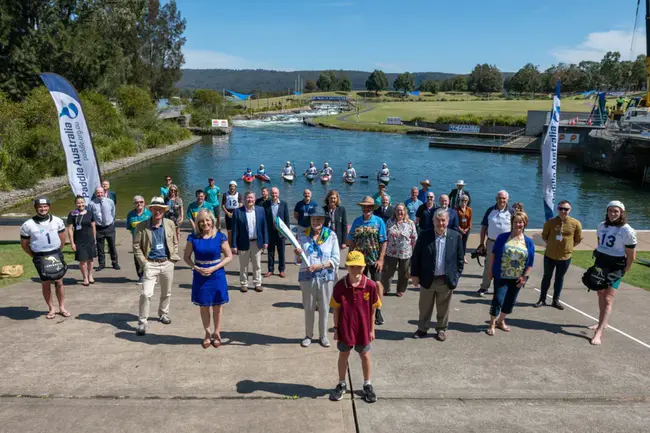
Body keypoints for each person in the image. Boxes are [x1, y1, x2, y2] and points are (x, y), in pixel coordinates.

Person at [329, 251, 381, 403]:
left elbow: (373, 309)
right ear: (347, 267)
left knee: (365, 355)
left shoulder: (370, 286)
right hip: (345, 328)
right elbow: (336, 308)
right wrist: (336, 328)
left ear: (364, 267)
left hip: (363, 329)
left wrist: (372, 329)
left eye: (359, 267)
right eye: (352, 267)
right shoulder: (340, 285)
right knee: (343, 354)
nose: (356, 270)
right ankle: (341, 383)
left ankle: (367, 384)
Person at [411, 208, 464, 341]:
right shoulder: (424, 235)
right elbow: (416, 256)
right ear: (433, 221)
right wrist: (415, 275)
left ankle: (441, 329)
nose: (441, 223)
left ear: (448, 221)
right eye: (438, 220)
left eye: (443, 220)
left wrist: (455, 277)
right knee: (424, 307)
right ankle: (422, 328)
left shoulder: (455, 236)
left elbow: (460, 260)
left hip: (445, 280)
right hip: (427, 278)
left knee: (443, 308)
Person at [589, 201, 637, 346]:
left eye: (616, 211)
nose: (612, 214)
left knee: (609, 298)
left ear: (622, 212)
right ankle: (601, 323)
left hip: (616, 265)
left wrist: (625, 270)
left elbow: (631, 255)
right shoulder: (602, 226)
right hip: (601, 263)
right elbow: (600, 244)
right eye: (610, 211)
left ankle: (599, 332)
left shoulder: (627, 231)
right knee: (600, 293)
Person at [184, 208, 233, 348]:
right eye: (201, 221)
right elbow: (186, 257)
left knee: (217, 306)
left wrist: (214, 268)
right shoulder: (193, 238)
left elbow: (229, 256)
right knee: (204, 306)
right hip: (200, 275)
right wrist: (196, 267)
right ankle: (207, 333)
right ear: (198, 224)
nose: (205, 223)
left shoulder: (220, 237)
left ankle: (217, 333)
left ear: (212, 221)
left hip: (217, 275)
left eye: (207, 220)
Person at [133, 197, 180, 336]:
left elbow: (175, 242)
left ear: (164, 211)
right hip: (150, 263)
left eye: (160, 209)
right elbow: (136, 246)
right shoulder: (141, 226)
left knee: (167, 292)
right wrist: (144, 262)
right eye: (155, 208)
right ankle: (142, 323)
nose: (158, 211)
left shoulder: (170, 223)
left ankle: (163, 313)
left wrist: (172, 259)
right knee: (146, 293)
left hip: (167, 262)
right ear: (151, 209)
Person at [295, 207, 340, 348]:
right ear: (310, 220)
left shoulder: (331, 235)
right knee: (308, 307)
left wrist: (320, 266)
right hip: (307, 277)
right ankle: (308, 335)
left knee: (324, 307)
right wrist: (297, 254)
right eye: (313, 219)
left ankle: (323, 336)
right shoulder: (302, 235)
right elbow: (297, 260)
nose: (316, 221)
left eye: (319, 219)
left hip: (326, 277)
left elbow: (336, 259)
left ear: (324, 220)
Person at [486, 211, 535, 336]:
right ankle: (492, 323)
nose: (518, 224)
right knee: (498, 299)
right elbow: (493, 255)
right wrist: (490, 271)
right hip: (501, 275)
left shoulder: (528, 242)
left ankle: (501, 321)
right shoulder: (502, 237)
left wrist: (524, 277)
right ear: (512, 223)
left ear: (524, 224)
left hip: (517, 278)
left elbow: (530, 263)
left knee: (510, 301)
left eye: (521, 222)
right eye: (516, 222)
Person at [20, 196, 69, 319]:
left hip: (55, 253)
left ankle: (62, 307)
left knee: (59, 281)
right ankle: (51, 309)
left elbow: (63, 238)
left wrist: (58, 251)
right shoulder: (27, 225)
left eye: (45, 206)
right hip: (40, 256)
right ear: (36, 208)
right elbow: (24, 244)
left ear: (49, 207)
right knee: (46, 283)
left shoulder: (57, 221)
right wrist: (34, 255)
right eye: (40, 207)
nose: (43, 209)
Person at [536, 200, 583, 309]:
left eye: (566, 209)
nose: (563, 211)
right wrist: (551, 245)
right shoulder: (550, 222)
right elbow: (544, 236)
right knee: (546, 277)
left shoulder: (575, 224)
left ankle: (555, 300)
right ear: (557, 209)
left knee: (559, 278)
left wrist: (568, 247)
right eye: (561, 208)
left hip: (565, 257)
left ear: (570, 210)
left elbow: (578, 239)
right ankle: (542, 299)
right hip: (550, 255)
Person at [348, 196, 387, 325]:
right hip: (359, 260)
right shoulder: (357, 221)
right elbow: (351, 240)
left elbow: (383, 242)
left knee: (377, 284)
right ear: (362, 208)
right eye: (364, 207)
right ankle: (361, 308)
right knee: (360, 284)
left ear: (372, 208)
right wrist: (350, 256)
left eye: (369, 207)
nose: (366, 209)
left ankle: (378, 309)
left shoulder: (379, 221)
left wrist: (381, 259)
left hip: (374, 258)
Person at [477, 190, 513, 296]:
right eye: (500, 198)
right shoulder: (490, 210)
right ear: (496, 199)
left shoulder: (511, 211)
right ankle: (484, 287)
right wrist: (481, 243)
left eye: (504, 198)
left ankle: (501, 288)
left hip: (506, 244)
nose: (502, 200)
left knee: (505, 266)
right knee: (488, 265)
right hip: (491, 242)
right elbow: (484, 227)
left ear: (507, 199)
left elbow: (517, 228)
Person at [232, 191, 269, 292]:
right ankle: (244, 284)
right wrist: (234, 245)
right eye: (248, 198)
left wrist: (266, 241)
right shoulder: (237, 212)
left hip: (257, 242)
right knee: (243, 265)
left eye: (252, 198)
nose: (250, 200)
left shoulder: (260, 210)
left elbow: (264, 226)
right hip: (243, 242)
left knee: (257, 265)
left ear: (255, 199)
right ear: (244, 199)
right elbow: (234, 230)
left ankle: (258, 283)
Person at [381, 203, 417, 297]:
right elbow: (385, 236)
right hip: (390, 252)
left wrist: (415, 252)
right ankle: (386, 288)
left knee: (404, 273)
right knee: (388, 272)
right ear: (395, 212)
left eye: (401, 210)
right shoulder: (389, 222)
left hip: (405, 253)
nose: (399, 212)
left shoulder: (410, 223)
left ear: (405, 211)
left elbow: (414, 238)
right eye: (397, 210)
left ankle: (400, 290)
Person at [67, 195, 97, 286]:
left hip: (90, 239)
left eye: (82, 202)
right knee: (82, 260)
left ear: (85, 203)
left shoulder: (90, 213)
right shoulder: (72, 214)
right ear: (75, 204)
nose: (80, 204)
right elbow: (70, 229)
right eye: (78, 203)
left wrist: (94, 239)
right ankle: (85, 277)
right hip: (79, 241)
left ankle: (90, 275)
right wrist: (72, 243)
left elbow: (93, 226)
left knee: (90, 259)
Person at [89, 186, 119, 271]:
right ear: (95, 193)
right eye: (98, 193)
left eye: (101, 192)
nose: (99, 194)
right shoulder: (92, 204)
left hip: (109, 227)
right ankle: (101, 264)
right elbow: (90, 216)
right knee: (100, 247)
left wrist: (111, 222)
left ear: (104, 193)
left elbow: (113, 213)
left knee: (112, 246)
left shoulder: (110, 202)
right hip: (99, 228)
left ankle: (115, 263)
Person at [264, 187, 290, 278]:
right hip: (270, 232)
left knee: (281, 252)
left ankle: (281, 270)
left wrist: (287, 233)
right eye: (273, 193)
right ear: (270, 194)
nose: (274, 195)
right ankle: (270, 270)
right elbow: (264, 219)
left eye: (276, 193)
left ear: (278, 194)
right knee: (270, 252)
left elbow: (287, 219)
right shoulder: (266, 204)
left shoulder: (284, 204)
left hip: (281, 232)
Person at [126, 195, 152, 283]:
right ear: (134, 204)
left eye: (141, 202)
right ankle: (140, 276)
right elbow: (129, 227)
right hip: (136, 241)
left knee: (149, 257)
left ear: (144, 203)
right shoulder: (130, 215)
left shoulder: (149, 213)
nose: (139, 204)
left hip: (148, 240)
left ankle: (149, 275)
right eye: (136, 202)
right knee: (137, 258)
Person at [222, 181, 243, 245]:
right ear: (229, 187)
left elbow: (240, 204)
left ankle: (236, 243)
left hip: (236, 212)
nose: (232, 187)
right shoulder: (225, 195)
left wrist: (237, 212)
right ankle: (230, 244)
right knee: (229, 230)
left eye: (233, 186)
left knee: (237, 229)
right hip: (228, 212)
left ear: (235, 187)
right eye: (231, 186)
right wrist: (227, 213)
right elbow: (223, 206)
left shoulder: (238, 194)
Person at [456, 195, 472, 263]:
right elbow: (455, 221)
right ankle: (457, 257)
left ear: (467, 201)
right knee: (458, 243)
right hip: (459, 229)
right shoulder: (456, 209)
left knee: (464, 243)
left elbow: (470, 220)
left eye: (465, 201)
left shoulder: (469, 209)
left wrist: (468, 228)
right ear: (460, 201)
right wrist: (460, 229)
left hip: (466, 230)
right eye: (462, 200)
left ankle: (463, 257)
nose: (463, 202)